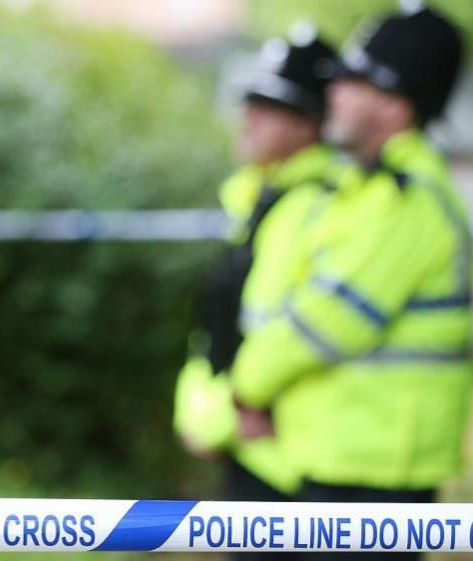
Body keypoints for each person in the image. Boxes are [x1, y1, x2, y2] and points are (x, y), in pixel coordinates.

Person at [228, 3, 473, 560]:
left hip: (376, 475)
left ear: (394, 101)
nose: (334, 86)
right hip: (339, 461)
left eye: (355, 78)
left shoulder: (408, 201)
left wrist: (243, 389)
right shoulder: (366, 189)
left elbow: (326, 322)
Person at [173, 23, 342, 559]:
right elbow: (220, 331)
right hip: (251, 454)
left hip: (293, 467)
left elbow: (296, 336)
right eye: (249, 99)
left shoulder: (320, 209)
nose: (249, 116)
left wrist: (221, 415)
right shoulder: (258, 201)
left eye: (270, 105)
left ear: (311, 124)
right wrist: (205, 417)